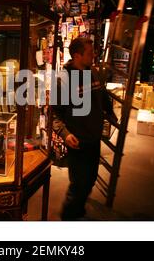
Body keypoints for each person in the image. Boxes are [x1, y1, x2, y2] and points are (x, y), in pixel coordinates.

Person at [52, 37, 116, 221]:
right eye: (90, 52)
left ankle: (77, 211)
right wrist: (66, 134)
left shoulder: (92, 72)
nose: (93, 55)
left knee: (90, 179)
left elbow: (102, 94)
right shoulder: (63, 81)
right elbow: (55, 114)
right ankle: (68, 217)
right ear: (78, 55)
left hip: (94, 138)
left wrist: (110, 111)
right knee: (79, 183)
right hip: (78, 140)